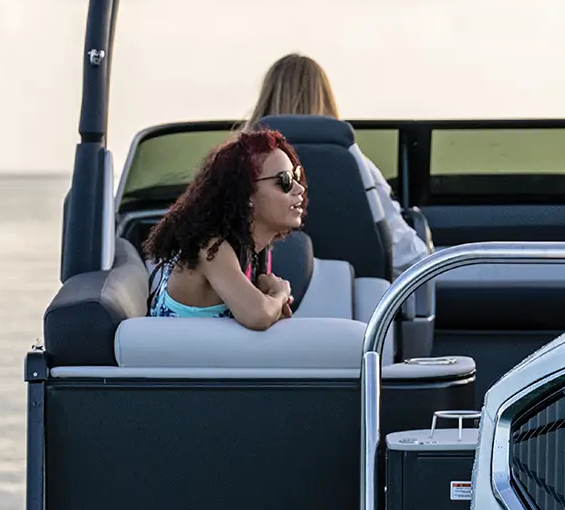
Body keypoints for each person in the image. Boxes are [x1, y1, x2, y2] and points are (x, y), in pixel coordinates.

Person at [247, 53, 428, 271]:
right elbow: (408, 256)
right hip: (353, 302)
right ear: (326, 100)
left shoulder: (231, 168)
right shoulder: (357, 167)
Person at [143, 128, 305, 331]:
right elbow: (259, 315)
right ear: (246, 194)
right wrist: (280, 293)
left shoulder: (254, 249)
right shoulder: (213, 247)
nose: (299, 189)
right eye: (285, 181)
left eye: (296, 177)